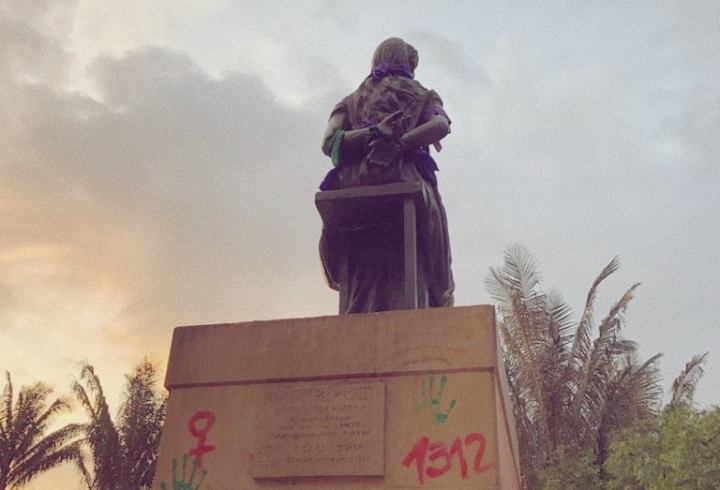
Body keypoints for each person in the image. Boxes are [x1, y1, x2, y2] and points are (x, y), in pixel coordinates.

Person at [319, 37, 454, 314]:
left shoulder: (349, 101)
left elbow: (329, 142)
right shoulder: (425, 94)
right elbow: (441, 125)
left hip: (355, 180)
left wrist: (371, 134)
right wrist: (401, 143)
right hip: (404, 175)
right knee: (432, 228)